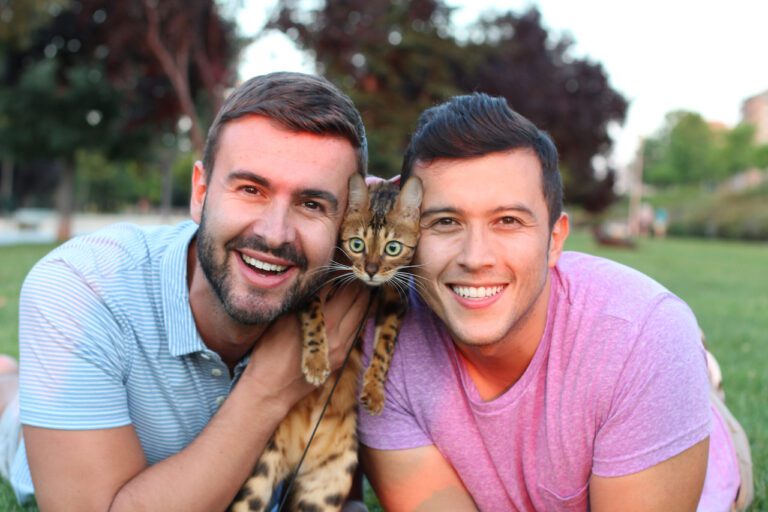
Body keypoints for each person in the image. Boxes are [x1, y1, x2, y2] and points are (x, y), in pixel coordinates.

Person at [359, 93, 752, 511]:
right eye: (444, 222)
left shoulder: (647, 337)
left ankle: (699, 380)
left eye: (507, 221)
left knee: (664, 353)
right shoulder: (383, 347)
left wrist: (662, 361)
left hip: (679, 425)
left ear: (555, 240)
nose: (475, 257)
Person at [1, 71, 372, 510]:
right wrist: (269, 388)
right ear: (200, 191)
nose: (275, 235)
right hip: (52, 439)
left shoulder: (350, 298)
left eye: (312, 204)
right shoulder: (81, 286)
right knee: (10, 402)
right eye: (250, 189)